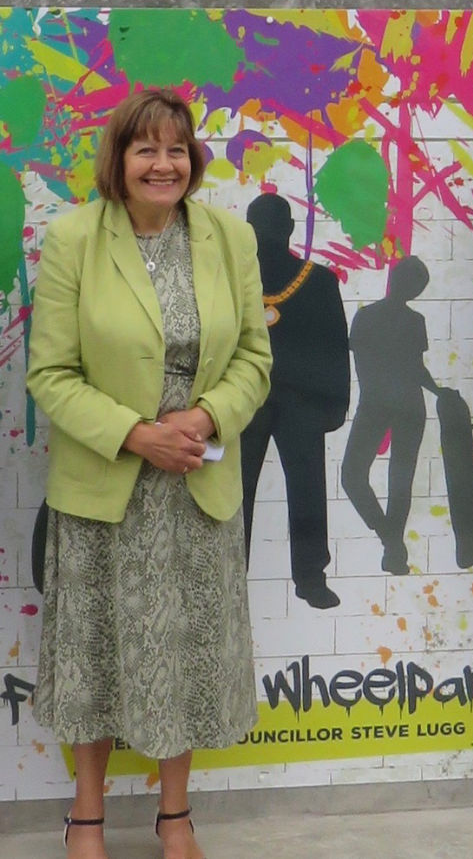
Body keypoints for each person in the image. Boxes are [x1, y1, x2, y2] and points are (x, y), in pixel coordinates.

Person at [26, 88, 272, 859]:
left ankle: (175, 818)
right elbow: (51, 375)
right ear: (119, 161)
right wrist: (138, 435)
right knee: (97, 658)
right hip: (108, 490)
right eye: (146, 150)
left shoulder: (229, 237)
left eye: (176, 149)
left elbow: (256, 359)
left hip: (198, 483)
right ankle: (87, 817)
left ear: (192, 159)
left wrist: (200, 421)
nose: (163, 164)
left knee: (192, 659)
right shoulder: (73, 240)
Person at [240, 192, 349, 609]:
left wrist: (335, 402)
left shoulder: (319, 280)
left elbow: (337, 344)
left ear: (287, 229)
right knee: (236, 491)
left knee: (306, 489)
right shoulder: (233, 278)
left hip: (302, 403)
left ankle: (310, 575)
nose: (264, 232)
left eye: (267, 224)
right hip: (245, 400)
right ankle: (236, 569)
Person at [341, 256, 440, 575]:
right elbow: (415, 368)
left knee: (357, 476)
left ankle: (390, 544)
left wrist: (438, 391)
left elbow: (368, 364)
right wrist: (438, 392)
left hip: (381, 402)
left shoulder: (368, 317)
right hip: (405, 403)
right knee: (396, 481)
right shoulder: (411, 321)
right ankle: (391, 541)